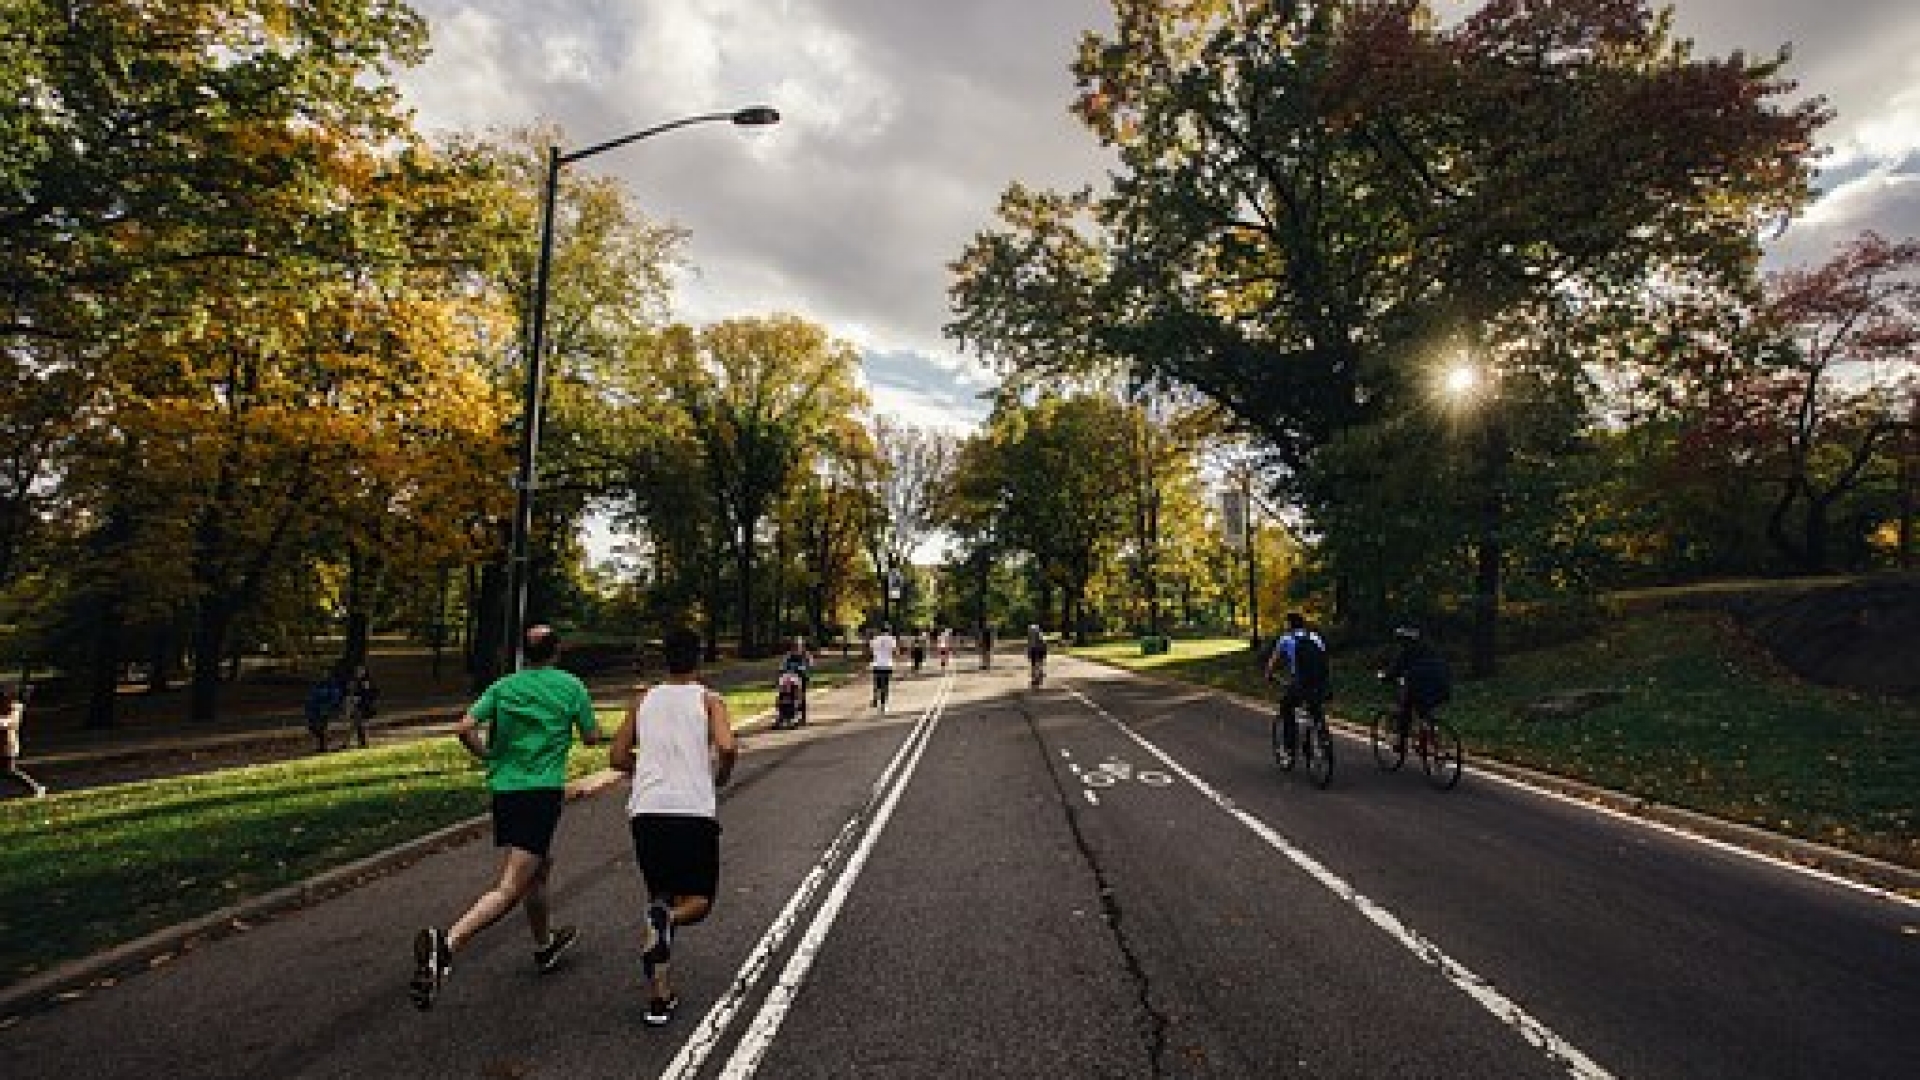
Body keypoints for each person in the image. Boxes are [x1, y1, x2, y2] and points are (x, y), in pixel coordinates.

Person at [409, 624, 603, 1012]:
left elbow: (464, 727)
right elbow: (592, 737)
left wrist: (487, 755)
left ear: (523, 652)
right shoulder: (570, 686)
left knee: (540, 868)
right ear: (557, 650)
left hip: (506, 792)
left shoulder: (504, 687)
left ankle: (545, 946)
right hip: (541, 792)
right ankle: (447, 945)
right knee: (511, 885)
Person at [610, 626, 737, 1027]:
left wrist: (646, 768)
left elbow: (616, 757)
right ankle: (670, 925)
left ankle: (659, 999)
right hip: (692, 811)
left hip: (647, 810)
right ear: (698, 659)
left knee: (659, 899)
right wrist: (720, 775)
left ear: (665, 659)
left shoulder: (643, 699)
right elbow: (728, 746)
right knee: (697, 902)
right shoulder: (710, 700)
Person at [1263, 612, 1331, 758]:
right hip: (1320, 682)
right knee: (1315, 708)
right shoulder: (1315, 637)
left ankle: (1289, 746)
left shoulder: (1286, 639)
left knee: (1286, 707)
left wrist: (1269, 676)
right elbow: (1324, 660)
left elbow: (1272, 663)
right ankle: (1322, 736)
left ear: (1289, 624)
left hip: (1301, 684)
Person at [1381, 624, 1452, 754]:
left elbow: (1395, 671)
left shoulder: (1406, 652)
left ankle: (1401, 744)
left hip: (1420, 687)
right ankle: (1432, 736)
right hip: (1442, 685)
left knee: (1405, 711)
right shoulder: (1430, 648)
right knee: (1425, 712)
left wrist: (1384, 677)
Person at [1, 685, 48, 799]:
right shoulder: (6, 704)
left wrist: (2, 722)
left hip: (7, 743)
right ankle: (36, 787)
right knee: (8, 770)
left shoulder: (15, 707)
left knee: (9, 770)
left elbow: (13, 723)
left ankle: (37, 787)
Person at [774, 637, 813, 729]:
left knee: (800, 695)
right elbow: (782, 665)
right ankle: (781, 714)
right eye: (795, 645)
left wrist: (803, 669)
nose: (797, 647)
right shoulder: (788, 655)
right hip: (789, 677)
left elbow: (809, 665)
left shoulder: (806, 655)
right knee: (782, 691)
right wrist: (782, 670)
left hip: (801, 677)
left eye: (798, 645)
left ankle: (801, 716)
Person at [304, 669, 345, 753]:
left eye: (325, 674)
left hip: (324, 709)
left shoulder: (331, 685)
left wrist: (328, 706)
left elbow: (335, 696)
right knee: (313, 727)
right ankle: (323, 744)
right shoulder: (318, 684)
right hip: (314, 709)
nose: (323, 675)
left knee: (321, 727)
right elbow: (312, 696)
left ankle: (324, 746)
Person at [345, 665, 379, 749]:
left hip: (363, 706)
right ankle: (356, 742)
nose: (359, 672)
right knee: (356, 724)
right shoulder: (355, 681)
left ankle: (350, 742)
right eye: (358, 671)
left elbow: (371, 693)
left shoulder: (366, 681)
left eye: (361, 670)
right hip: (357, 705)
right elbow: (351, 692)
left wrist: (361, 698)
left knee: (357, 724)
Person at [867, 624, 899, 712]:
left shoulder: (875, 640)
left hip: (877, 664)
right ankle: (884, 705)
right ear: (889, 631)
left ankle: (875, 698)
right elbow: (895, 652)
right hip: (887, 665)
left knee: (876, 683)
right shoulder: (892, 640)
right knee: (885, 685)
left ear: (880, 631)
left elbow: (870, 651)